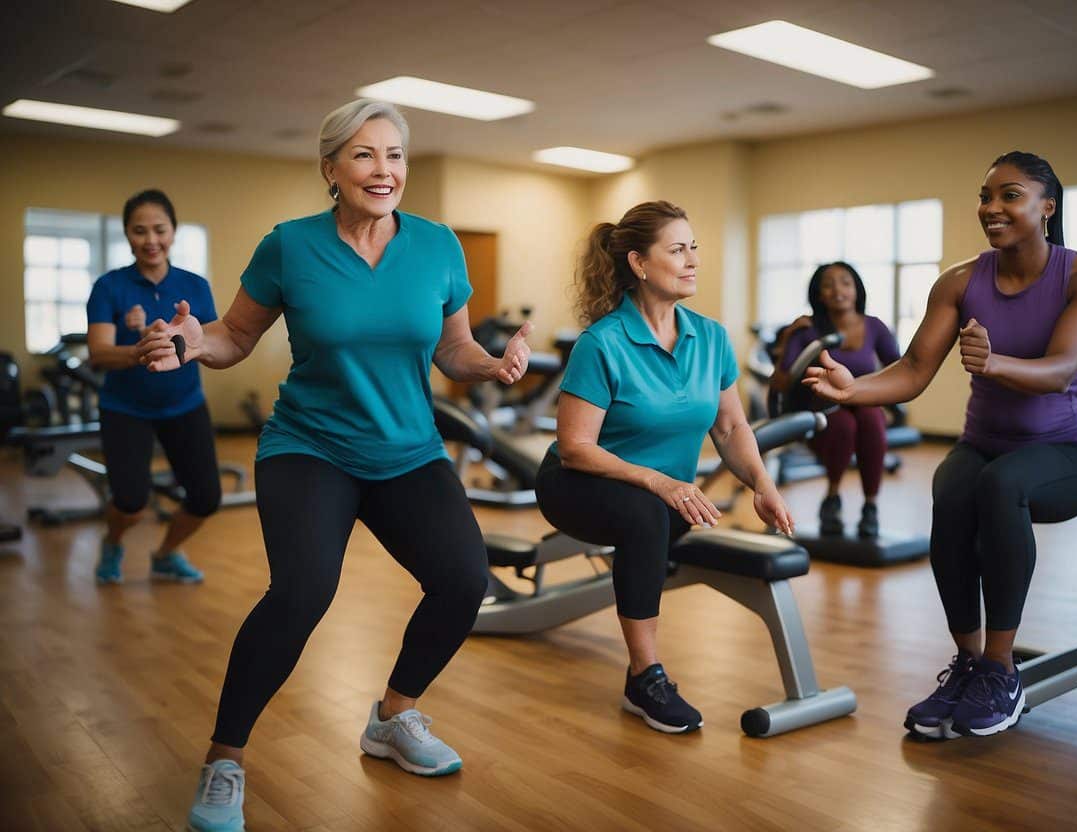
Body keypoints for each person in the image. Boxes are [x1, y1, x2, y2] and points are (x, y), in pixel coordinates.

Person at [136, 100, 533, 832]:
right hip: (310, 446)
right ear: (330, 169)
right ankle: (224, 759)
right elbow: (235, 335)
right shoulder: (289, 247)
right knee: (303, 592)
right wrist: (194, 343)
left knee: (464, 580)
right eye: (364, 155)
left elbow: (453, 349)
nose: (383, 171)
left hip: (408, 448)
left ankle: (392, 718)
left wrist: (494, 366)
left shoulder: (439, 246)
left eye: (395, 156)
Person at [803, 151, 1077, 740]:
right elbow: (914, 369)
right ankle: (969, 662)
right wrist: (853, 390)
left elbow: (1061, 368)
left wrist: (994, 362)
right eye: (985, 196)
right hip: (984, 446)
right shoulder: (959, 281)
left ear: (1047, 206)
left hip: (1067, 456)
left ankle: (1002, 669)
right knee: (952, 486)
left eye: (1010, 195)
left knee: (1000, 485)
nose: (991, 208)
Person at [536, 201, 795, 734]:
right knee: (645, 517)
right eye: (677, 250)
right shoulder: (602, 343)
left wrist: (762, 484)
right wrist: (658, 480)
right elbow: (575, 446)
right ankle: (645, 676)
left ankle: (643, 655)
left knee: (655, 515)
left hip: (666, 495)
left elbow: (730, 429)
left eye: (693, 247)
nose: (693, 259)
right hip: (577, 484)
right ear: (639, 263)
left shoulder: (712, 337)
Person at [86, 189, 220, 585]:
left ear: (174, 232)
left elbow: (212, 346)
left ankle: (166, 554)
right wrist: (139, 350)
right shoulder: (109, 287)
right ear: (127, 235)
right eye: (139, 231)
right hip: (126, 408)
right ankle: (113, 541)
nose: (150, 240)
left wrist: (194, 348)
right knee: (129, 502)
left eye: (159, 229)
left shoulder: (195, 286)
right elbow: (98, 353)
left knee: (206, 498)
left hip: (185, 404)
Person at [769, 262, 900, 537]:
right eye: (829, 284)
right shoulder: (807, 329)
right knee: (843, 424)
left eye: (845, 282)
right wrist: (790, 335)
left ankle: (870, 506)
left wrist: (889, 405)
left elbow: (899, 370)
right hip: (821, 411)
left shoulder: (874, 327)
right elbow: (781, 381)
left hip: (864, 405)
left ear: (856, 290)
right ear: (819, 294)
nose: (838, 289)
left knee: (871, 418)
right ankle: (832, 497)